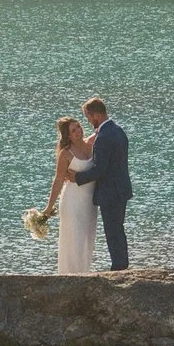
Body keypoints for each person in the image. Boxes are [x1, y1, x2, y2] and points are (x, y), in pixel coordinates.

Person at [69, 96, 131, 271]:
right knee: (118, 228)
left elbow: (99, 169)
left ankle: (118, 267)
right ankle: (122, 263)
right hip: (121, 188)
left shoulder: (104, 137)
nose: (88, 121)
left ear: (95, 115)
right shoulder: (117, 130)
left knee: (112, 231)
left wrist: (77, 178)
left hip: (110, 191)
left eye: (88, 117)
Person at [45, 115, 96, 276]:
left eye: (79, 127)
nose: (78, 132)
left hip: (90, 202)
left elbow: (102, 130)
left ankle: (84, 274)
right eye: (73, 131)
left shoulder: (92, 144)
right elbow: (58, 181)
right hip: (72, 201)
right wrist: (49, 207)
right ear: (67, 136)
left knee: (87, 239)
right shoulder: (65, 155)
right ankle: (69, 276)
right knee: (74, 239)